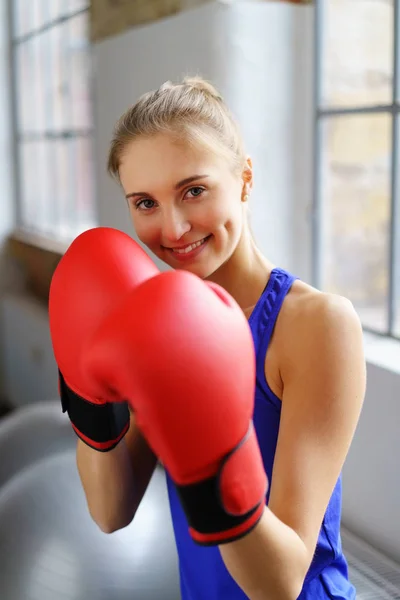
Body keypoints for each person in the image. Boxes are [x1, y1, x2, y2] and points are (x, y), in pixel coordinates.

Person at [65, 76, 366, 599]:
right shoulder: (158, 323)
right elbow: (110, 511)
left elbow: (281, 583)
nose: (175, 228)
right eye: (145, 203)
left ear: (245, 179)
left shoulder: (317, 326)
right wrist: (88, 397)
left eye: (194, 191)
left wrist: (214, 455)